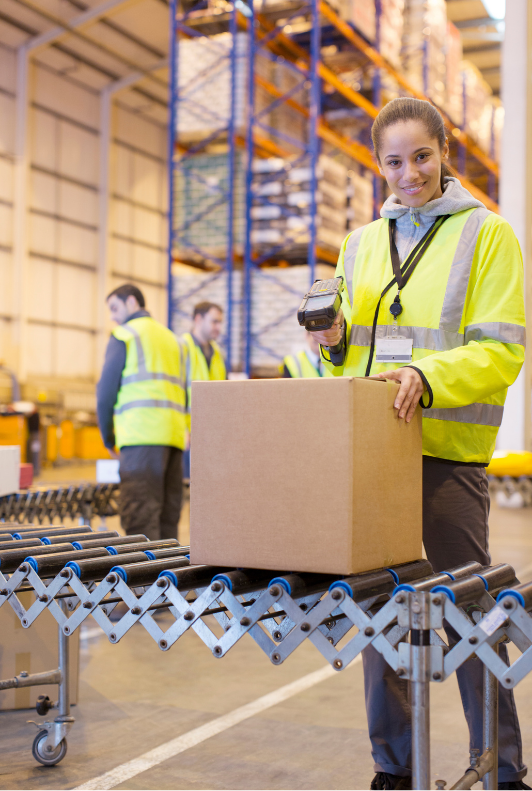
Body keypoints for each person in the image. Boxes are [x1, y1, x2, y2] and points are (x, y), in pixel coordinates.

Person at [312, 98, 528, 791]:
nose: (409, 173)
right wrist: (333, 343)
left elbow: (500, 352)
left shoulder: (488, 236)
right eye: (394, 161)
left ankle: (503, 768)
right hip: (377, 459)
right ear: (380, 165)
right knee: (381, 617)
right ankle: (393, 767)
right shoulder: (360, 244)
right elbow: (345, 368)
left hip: (447, 461)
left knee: (470, 616)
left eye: (422, 157)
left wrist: (424, 375)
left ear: (445, 152)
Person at [97, 284, 187, 541]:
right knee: (167, 518)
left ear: (133, 302)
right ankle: (169, 580)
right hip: (173, 439)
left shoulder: (125, 335)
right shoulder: (174, 340)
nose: (113, 316)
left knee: (140, 518)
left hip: (140, 438)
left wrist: (108, 438)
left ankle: (144, 582)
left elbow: (105, 393)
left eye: (115, 308)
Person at [181, 302, 226, 479]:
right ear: (198, 319)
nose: (219, 328)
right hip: (187, 433)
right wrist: (182, 430)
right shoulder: (182, 347)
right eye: (214, 322)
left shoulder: (218, 353)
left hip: (211, 433)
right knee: (187, 489)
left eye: (220, 322)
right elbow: (175, 392)